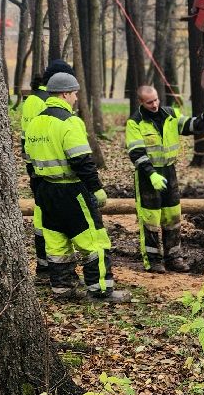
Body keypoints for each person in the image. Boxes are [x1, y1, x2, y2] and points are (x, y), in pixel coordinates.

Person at [22, 72, 128, 303]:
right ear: (65, 93)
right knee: (95, 241)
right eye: (74, 93)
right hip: (72, 191)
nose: (76, 98)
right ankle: (100, 291)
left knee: (57, 243)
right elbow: (81, 161)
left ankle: (63, 290)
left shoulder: (35, 122)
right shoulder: (70, 122)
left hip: (45, 191)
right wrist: (96, 188)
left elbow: (30, 163)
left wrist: (38, 192)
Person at [126, 84, 202, 272]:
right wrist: (151, 174)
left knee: (172, 217)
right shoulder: (135, 122)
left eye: (156, 99)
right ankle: (153, 261)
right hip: (147, 176)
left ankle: (173, 258)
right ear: (141, 102)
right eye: (150, 102)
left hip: (169, 171)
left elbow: (191, 125)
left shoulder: (170, 114)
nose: (154, 104)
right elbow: (136, 152)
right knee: (150, 219)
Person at [20, 59, 74, 277]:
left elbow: (26, 139)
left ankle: (45, 266)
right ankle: (49, 268)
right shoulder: (44, 102)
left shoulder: (32, 99)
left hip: (36, 169)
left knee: (44, 219)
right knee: (49, 221)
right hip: (48, 173)